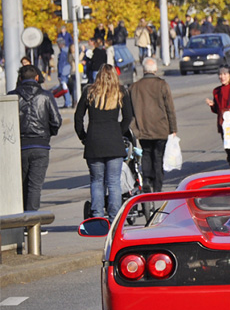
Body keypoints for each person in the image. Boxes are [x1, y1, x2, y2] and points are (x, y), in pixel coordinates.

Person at [74, 64, 133, 221]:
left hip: (94, 142)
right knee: (114, 182)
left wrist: (83, 137)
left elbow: (78, 117)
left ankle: (98, 216)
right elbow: (128, 117)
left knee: (96, 181)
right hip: (114, 142)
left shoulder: (89, 91)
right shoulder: (120, 92)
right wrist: (118, 132)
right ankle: (114, 218)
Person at [10, 65, 62, 212]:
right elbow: (56, 121)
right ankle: (31, 223)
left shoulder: (13, 96)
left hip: (19, 146)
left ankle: (20, 219)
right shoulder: (46, 96)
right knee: (35, 186)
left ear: (20, 79)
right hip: (40, 146)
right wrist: (46, 135)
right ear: (37, 78)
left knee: (21, 185)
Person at [129, 58, 178, 193]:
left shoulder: (134, 87)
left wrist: (132, 128)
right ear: (155, 70)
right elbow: (170, 108)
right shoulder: (162, 85)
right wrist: (173, 128)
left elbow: (130, 110)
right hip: (161, 128)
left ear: (144, 70)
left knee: (146, 153)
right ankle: (157, 186)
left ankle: (146, 180)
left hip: (142, 128)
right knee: (158, 157)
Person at [55, 37, 73, 108]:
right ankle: (69, 102)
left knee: (64, 88)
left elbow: (61, 64)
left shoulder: (62, 53)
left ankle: (68, 102)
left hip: (63, 73)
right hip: (69, 71)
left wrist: (59, 74)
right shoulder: (68, 51)